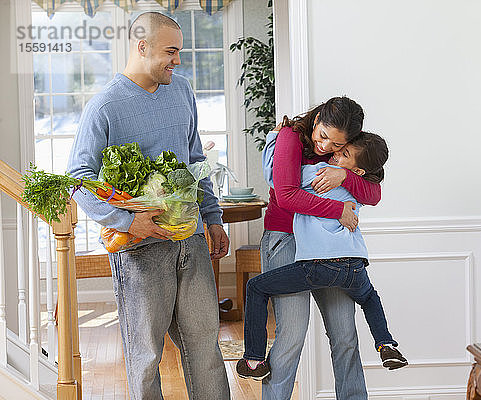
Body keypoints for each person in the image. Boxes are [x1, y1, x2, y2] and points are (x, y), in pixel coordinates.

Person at [66, 12, 230, 400]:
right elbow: (78, 178)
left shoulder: (182, 90)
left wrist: (213, 217)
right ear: (142, 47)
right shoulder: (104, 106)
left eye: (180, 52)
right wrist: (126, 221)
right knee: (146, 356)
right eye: (170, 52)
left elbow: (194, 160)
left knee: (206, 346)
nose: (178, 61)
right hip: (139, 252)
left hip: (189, 240)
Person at [236, 132, 407, 380]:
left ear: (357, 170)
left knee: (256, 287)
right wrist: (347, 175)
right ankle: (386, 345)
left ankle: (253, 360)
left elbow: (275, 178)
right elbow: (374, 194)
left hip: (319, 265)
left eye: (344, 152)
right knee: (369, 297)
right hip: (355, 267)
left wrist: (274, 139)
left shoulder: (321, 173)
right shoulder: (359, 186)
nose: (335, 152)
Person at [259, 97, 381, 400]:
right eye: (323, 136)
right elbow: (286, 195)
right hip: (286, 239)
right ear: (316, 121)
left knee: (345, 335)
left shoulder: (345, 154)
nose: (326, 147)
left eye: (337, 145)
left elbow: (374, 192)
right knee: (291, 335)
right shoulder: (290, 137)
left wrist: (346, 174)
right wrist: (338, 210)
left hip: (330, 247)